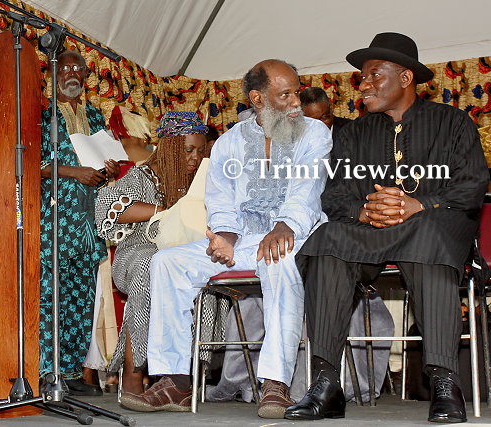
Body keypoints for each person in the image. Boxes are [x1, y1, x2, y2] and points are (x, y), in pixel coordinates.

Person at [285, 33, 488, 423]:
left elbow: (472, 185)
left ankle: (444, 382)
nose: (363, 84)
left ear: (406, 78)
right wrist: (363, 211)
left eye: (374, 75)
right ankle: (326, 383)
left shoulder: (452, 122)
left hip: (430, 227)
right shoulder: (353, 133)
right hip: (371, 232)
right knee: (327, 238)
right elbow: (334, 195)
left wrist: (419, 204)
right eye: (362, 77)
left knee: (429, 235)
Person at [119, 59, 332, 418]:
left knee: (277, 256)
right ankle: (176, 383)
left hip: (297, 235)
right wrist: (225, 238)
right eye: (285, 95)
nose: (296, 101)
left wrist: (285, 226)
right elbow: (220, 201)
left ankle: (275, 384)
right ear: (258, 99)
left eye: (296, 92)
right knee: (167, 261)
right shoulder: (229, 142)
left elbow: (307, 189)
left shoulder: (314, 133)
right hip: (244, 240)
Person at [95, 110, 208, 395]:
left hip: (182, 254)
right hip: (137, 253)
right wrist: (167, 211)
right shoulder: (143, 175)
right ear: (170, 147)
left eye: (200, 151)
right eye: (188, 150)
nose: (195, 157)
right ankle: (133, 373)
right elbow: (107, 207)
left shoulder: (201, 179)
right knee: (152, 265)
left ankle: (179, 376)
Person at [38, 49, 120, 396]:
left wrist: (110, 168)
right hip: (55, 220)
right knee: (51, 296)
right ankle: (47, 372)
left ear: (86, 76)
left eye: (78, 69)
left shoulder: (95, 115)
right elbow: (34, 163)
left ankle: (71, 373)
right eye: (65, 68)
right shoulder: (41, 113)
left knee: (83, 297)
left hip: (89, 218)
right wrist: (75, 172)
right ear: (52, 74)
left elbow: (106, 158)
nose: (72, 74)